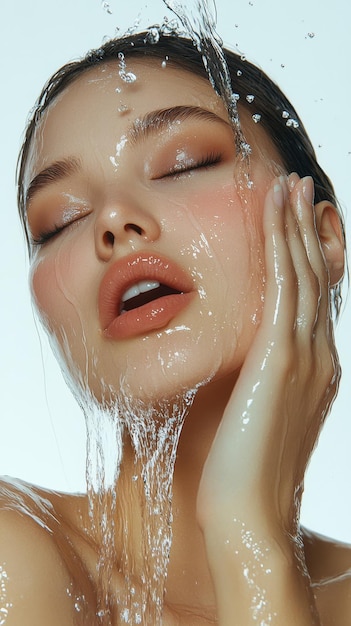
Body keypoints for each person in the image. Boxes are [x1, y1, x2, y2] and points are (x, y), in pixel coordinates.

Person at [1, 29, 350, 625]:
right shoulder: (15, 554)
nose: (112, 220)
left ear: (321, 237)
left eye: (187, 164)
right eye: (61, 221)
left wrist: (250, 534)